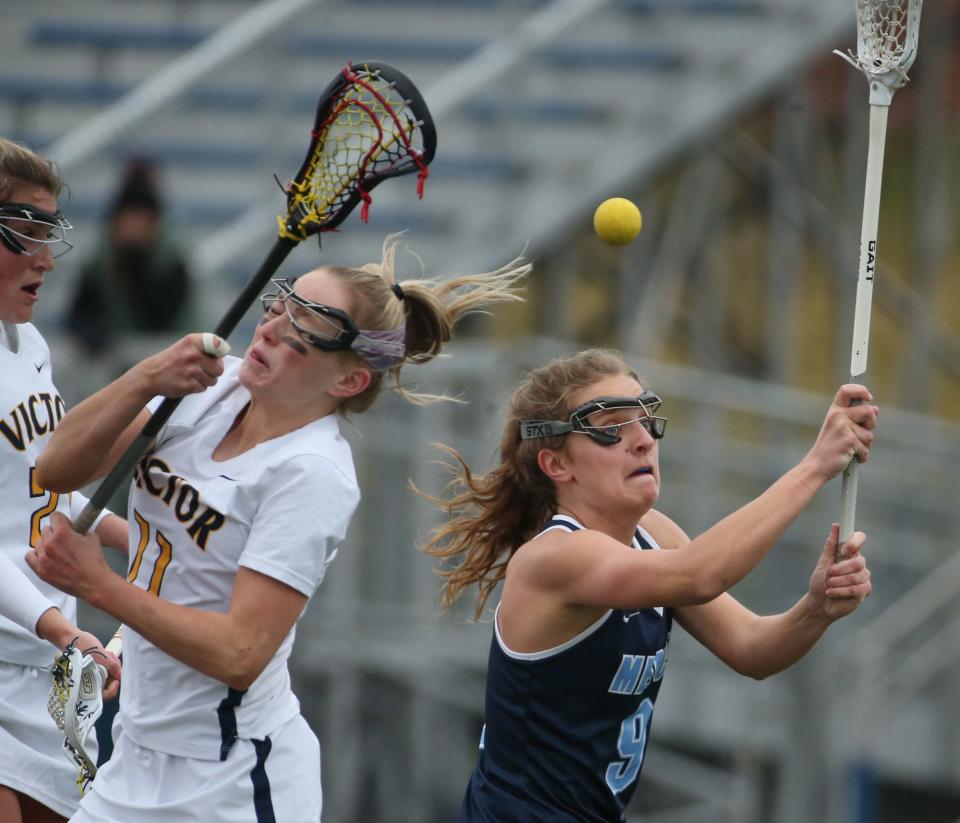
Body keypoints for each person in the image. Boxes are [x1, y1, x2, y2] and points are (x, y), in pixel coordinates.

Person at [26, 236, 531, 822]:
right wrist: (147, 376)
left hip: (231, 782)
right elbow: (58, 466)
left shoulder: (311, 473)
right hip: (136, 756)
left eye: (308, 326)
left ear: (347, 382)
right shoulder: (213, 387)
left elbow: (240, 651)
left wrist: (99, 587)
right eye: (280, 305)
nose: (272, 329)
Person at [420, 348, 878, 823]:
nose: (641, 440)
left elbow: (751, 648)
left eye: (645, 419)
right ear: (557, 465)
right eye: (611, 427)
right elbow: (700, 574)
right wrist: (815, 466)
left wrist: (817, 606)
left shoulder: (654, 535)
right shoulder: (555, 558)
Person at [0, 138, 124, 823]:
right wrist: (64, 631)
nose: (45, 259)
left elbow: (36, 486)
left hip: (42, 673)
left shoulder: (29, 343)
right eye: (25, 233)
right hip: (38, 640)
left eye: (50, 234)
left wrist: (131, 539)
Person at [65, 158, 191, 355]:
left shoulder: (171, 263)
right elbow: (78, 317)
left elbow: (160, 322)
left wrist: (134, 263)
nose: (135, 227)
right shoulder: (101, 262)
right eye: (130, 218)